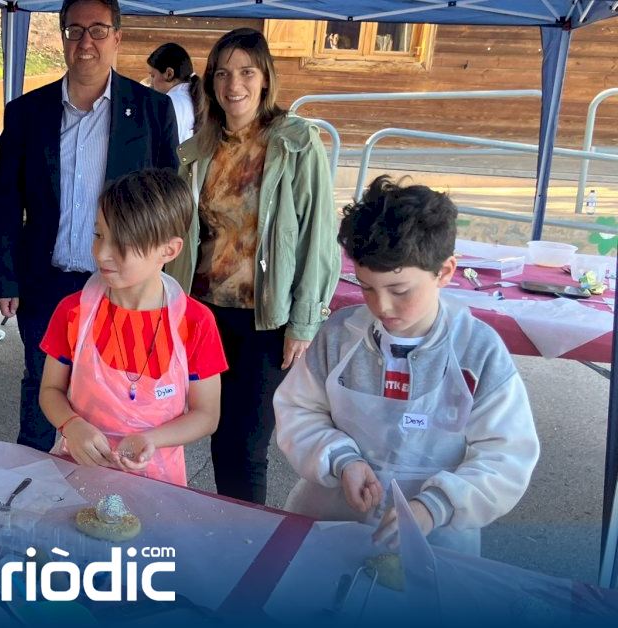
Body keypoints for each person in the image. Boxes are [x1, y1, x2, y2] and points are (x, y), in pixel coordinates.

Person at [274, 176, 539, 554]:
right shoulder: (339, 336)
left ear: (445, 272)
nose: (381, 306)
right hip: (330, 520)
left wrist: (437, 505)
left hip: (438, 535)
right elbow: (298, 411)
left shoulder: (478, 351)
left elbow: (506, 455)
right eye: (366, 287)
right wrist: (342, 460)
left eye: (400, 291)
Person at [0, 0, 179, 453]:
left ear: (117, 37)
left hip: (120, 284)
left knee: (116, 393)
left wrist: (158, 277)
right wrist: (5, 276)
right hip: (46, 282)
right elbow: (7, 199)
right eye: (74, 31)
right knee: (43, 386)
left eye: (98, 30)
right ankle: (32, 480)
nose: (85, 42)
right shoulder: (26, 113)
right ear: (63, 38)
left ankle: (107, 486)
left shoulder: (152, 110)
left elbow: (168, 202)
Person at [164, 27, 338, 504]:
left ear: (265, 79)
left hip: (263, 319)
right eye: (222, 73)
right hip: (203, 314)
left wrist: (304, 321)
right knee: (210, 432)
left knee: (245, 445)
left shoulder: (295, 142)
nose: (233, 84)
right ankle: (222, 523)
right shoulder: (201, 147)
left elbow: (319, 237)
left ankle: (245, 537)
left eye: (246, 72)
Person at [39, 169, 224, 485]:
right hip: (79, 470)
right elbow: (50, 390)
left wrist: (153, 439)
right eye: (99, 235)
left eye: (123, 242)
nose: (102, 253)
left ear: (169, 250)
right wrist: (71, 424)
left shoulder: (194, 322)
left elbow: (206, 414)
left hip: (158, 482)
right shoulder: (73, 311)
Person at [146, 42, 199, 144]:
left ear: (169, 74)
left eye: (153, 76)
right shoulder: (196, 98)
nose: (151, 83)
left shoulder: (168, 103)